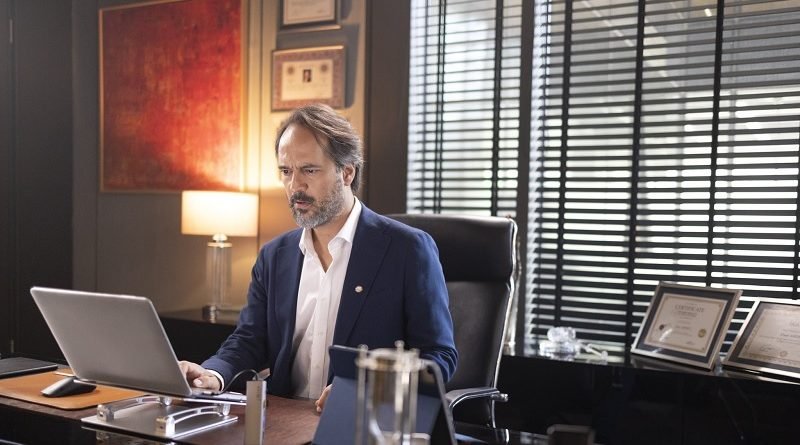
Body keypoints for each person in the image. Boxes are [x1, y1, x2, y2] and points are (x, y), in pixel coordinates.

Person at [179, 104, 457, 413]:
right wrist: (212, 374)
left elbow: (439, 357)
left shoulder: (407, 249)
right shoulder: (274, 256)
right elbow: (250, 339)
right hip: (282, 419)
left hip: (363, 422)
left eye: (309, 170)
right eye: (286, 171)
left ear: (347, 172)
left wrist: (369, 388)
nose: (295, 186)